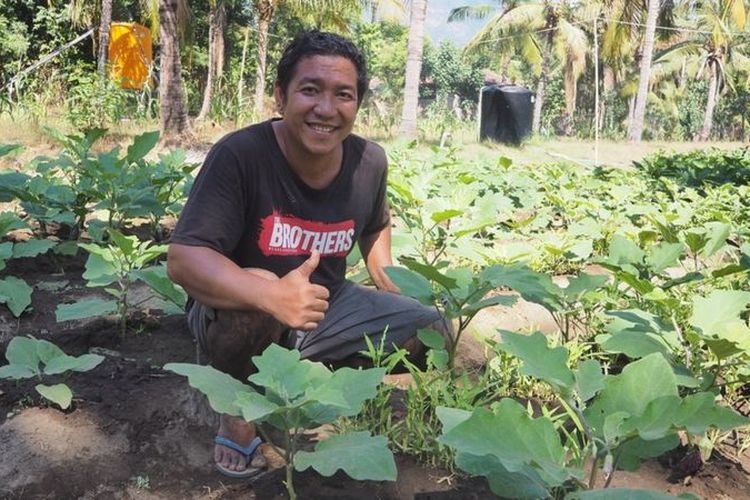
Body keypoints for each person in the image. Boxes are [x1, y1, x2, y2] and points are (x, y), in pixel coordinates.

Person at [167, 30, 448, 478]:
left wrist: (390, 287)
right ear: (281, 96)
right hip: (239, 310)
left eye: (343, 94)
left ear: (357, 105)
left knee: (434, 328)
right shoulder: (240, 155)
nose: (326, 109)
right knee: (257, 290)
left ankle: (299, 366)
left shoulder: (369, 162)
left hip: (325, 307)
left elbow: (375, 227)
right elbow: (184, 259)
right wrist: (273, 297)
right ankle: (237, 414)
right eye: (310, 90)